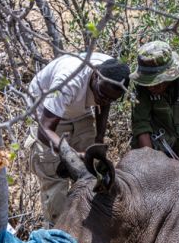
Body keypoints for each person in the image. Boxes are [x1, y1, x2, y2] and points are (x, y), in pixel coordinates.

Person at [27, 53, 129, 224]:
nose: (104, 101)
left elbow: (105, 102)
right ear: (95, 75)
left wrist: (99, 138)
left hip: (79, 113)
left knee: (91, 174)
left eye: (111, 99)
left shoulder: (112, 74)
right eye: (102, 94)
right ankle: (55, 229)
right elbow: (44, 130)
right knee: (55, 182)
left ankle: (85, 225)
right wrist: (72, 155)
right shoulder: (68, 80)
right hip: (46, 115)